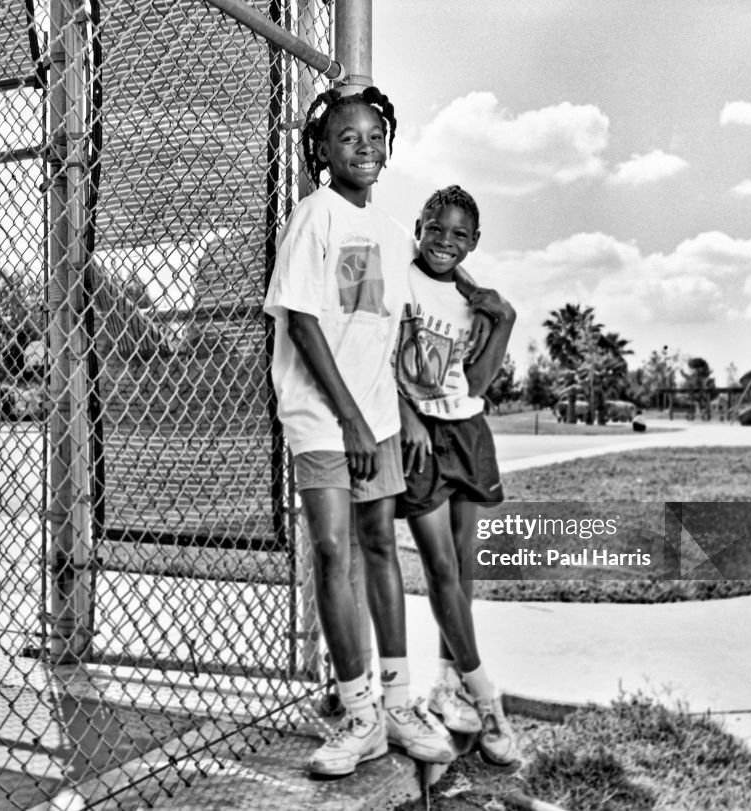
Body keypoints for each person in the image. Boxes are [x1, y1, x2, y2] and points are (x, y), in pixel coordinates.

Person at [263, 86, 453, 777]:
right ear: (322, 150)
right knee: (333, 546)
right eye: (348, 137)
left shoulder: (391, 229)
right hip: (324, 417)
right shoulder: (315, 216)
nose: (364, 147)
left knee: (379, 543)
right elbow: (305, 323)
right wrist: (347, 418)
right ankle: (358, 711)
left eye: (374, 135)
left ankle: (399, 704)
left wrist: (400, 413)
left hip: (375, 418)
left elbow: (382, 331)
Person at [394, 185, 520, 766]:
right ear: (419, 225)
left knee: (462, 574)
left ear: (474, 241)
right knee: (440, 569)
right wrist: (406, 417)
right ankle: (487, 698)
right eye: (436, 229)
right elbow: (372, 354)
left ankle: (448, 683)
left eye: (459, 235)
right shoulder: (399, 280)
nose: (445, 242)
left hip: (467, 432)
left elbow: (474, 384)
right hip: (420, 437)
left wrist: (506, 322)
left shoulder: (476, 299)